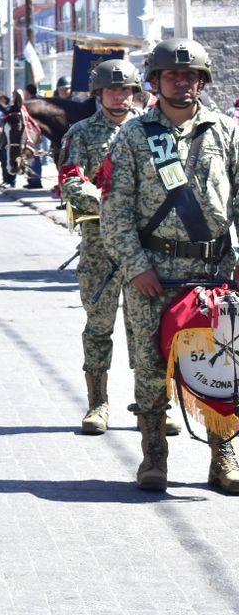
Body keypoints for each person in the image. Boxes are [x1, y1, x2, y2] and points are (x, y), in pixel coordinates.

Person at [100, 38, 239, 494]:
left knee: (223, 366)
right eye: (172, 74)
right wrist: (135, 265)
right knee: (150, 366)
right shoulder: (134, 136)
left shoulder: (226, 131)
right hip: (152, 275)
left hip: (214, 272)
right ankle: (154, 455)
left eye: (191, 74)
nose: (183, 81)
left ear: (202, 81)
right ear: (155, 81)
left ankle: (223, 455)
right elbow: (115, 210)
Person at [59, 58, 145, 437]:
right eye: (112, 89)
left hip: (147, 245)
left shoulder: (151, 130)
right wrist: (113, 204)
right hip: (100, 244)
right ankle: (98, 402)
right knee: (99, 323)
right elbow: (71, 181)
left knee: (147, 327)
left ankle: (154, 403)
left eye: (126, 89)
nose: (119, 95)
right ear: (98, 93)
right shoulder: (80, 133)